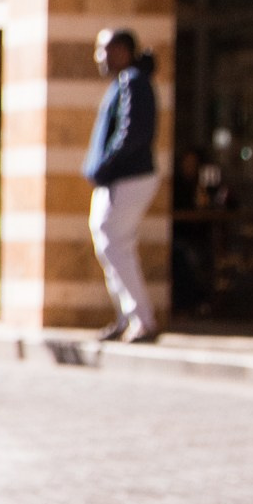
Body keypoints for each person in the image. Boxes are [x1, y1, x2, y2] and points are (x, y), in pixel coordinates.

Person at [84, 27, 160, 343]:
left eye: (105, 49)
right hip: (120, 177)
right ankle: (128, 318)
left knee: (115, 243)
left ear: (122, 51)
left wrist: (107, 164)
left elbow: (132, 132)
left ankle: (140, 318)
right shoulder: (126, 82)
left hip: (127, 176)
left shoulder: (132, 81)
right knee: (111, 244)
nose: (100, 57)